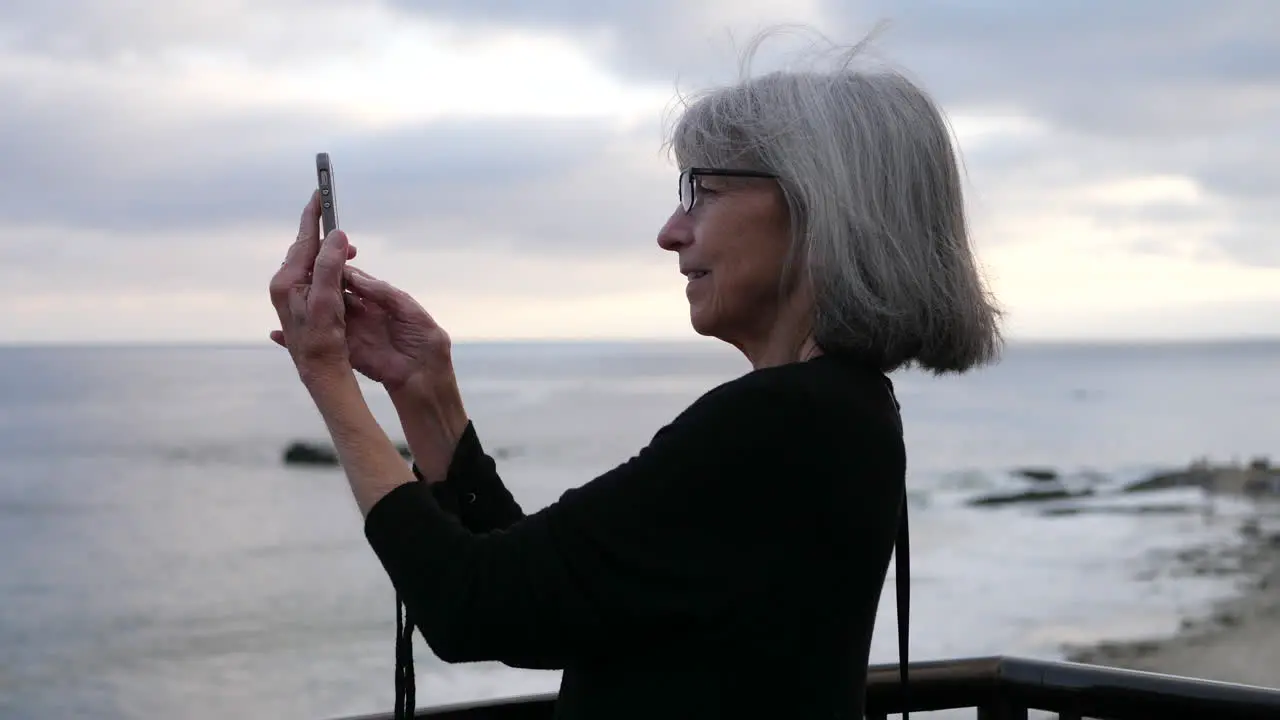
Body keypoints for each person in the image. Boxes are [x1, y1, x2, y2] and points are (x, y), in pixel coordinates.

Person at [268, 34, 1001, 720]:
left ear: (818, 208)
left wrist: (327, 373)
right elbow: (545, 610)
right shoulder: (844, 412)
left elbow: (470, 606)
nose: (671, 231)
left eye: (703, 192)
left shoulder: (781, 422)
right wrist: (424, 392)